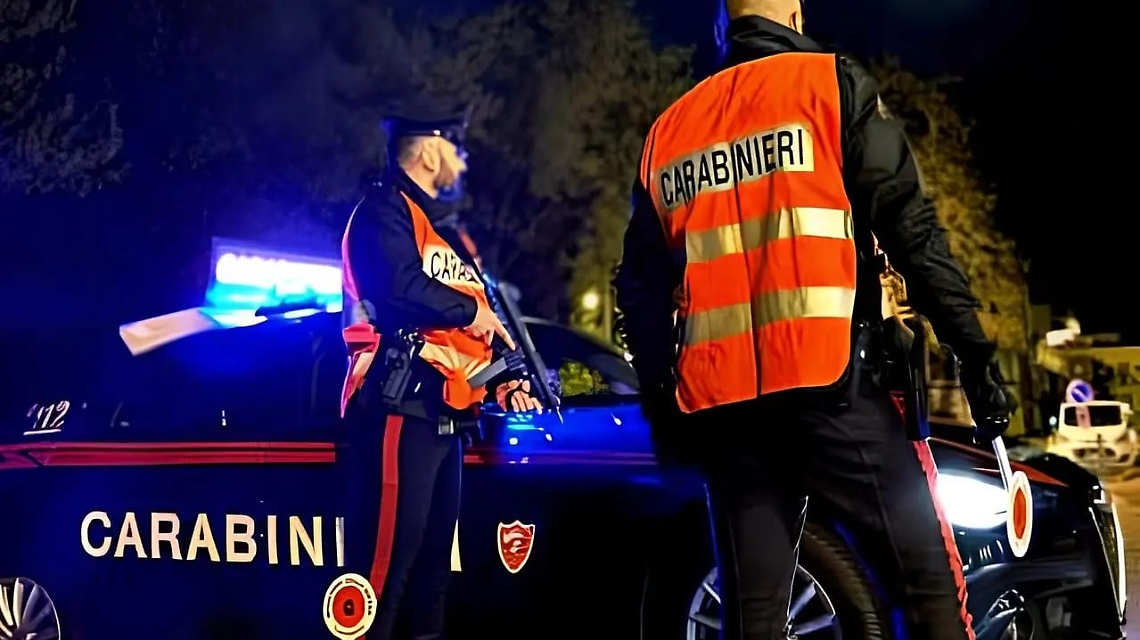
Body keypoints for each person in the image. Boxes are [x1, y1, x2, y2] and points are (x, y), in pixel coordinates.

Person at [613, 1, 1014, 639]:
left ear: (722, 27)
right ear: (795, 15)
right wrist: (976, 357)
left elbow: (636, 287)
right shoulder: (829, 84)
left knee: (757, 618)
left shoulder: (670, 131)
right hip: (831, 390)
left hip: (726, 415)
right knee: (929, 592)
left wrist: (667, 409)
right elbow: (913, 233)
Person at [339, 104, 542, 640]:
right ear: (429, 150)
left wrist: (507, 378)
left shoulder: (445, 234)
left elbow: (474, 327)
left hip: (446, 419)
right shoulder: (384, 210)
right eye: (457, 146)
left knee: (431, 579)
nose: (463, 158)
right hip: (397, 409)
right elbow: (400, 288)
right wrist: (469, 311)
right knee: (380, 577)